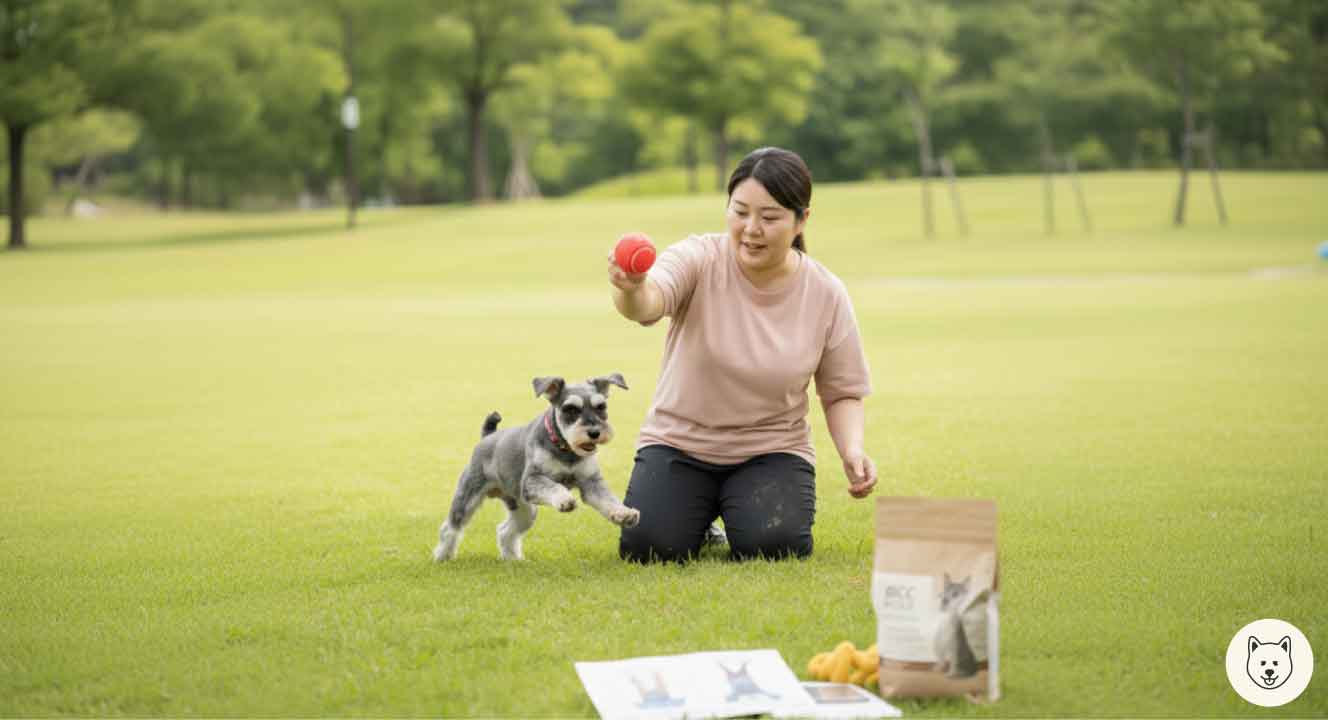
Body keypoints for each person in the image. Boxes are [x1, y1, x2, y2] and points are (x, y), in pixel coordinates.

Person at [606, 146, 877, 563]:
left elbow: (841, 391)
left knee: (775, 547)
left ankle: (735, 512)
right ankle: (698, 518)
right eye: (740, 212)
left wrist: (852, 450)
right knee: (649, 549)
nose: (751, 229)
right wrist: (631, 288)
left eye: (769, 218)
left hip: (771, 449)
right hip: (679, 443)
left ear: (801, 220)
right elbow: (649, 303)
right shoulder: (699, 257)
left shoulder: (826, 293)